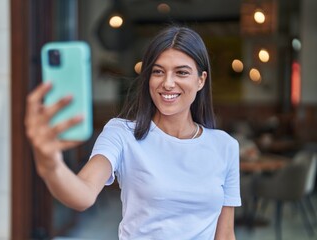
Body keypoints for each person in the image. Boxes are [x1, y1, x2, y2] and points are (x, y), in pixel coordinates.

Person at [25, 26, 241, 239]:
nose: (167, 83)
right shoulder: (121, 134)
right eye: (158, 71)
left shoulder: (225, 146)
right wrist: (51, 166)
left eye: (181, 72)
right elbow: (84, 194)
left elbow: (225, 234)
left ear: (201, 80)